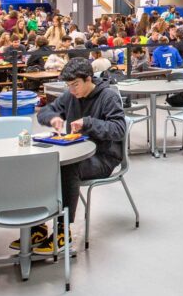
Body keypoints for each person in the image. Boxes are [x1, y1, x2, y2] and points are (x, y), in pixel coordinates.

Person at [35, 59, 128, 251]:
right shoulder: (71, 97)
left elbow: (119, 129)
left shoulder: (108, 97)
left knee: (67, 168)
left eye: (75, 85)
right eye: (68, 86)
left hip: (103, 157)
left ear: (88, 79)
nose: (71, 90)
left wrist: (88, 123)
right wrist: (52, 118)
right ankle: (38, 225)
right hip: (76, 152)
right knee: (43, 165)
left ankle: (63, 230)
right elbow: (45, 111)